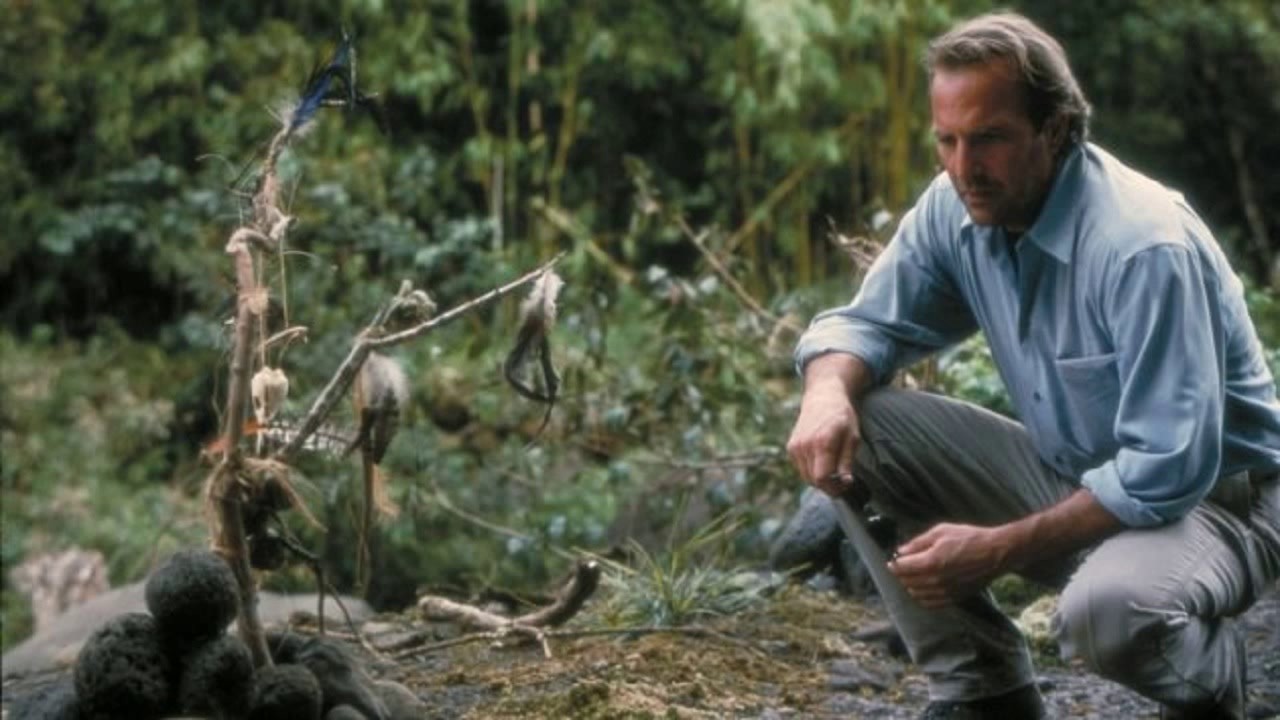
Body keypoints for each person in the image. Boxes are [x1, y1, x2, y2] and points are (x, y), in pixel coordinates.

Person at [786, 11, 1280, 720]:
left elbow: (1168, 468)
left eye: (987, 139)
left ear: (1054, 130)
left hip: (1219, 502)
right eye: (946, 141)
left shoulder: (1142, 246)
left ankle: (1221, 691)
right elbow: (862, 326)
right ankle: (984, 693)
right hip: (1077, 479)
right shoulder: (957, 204)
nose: (962, 167)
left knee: (1107, 613)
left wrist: (996, 549)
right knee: (862, 419)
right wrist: (825, 391)